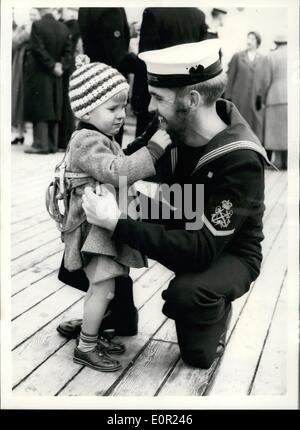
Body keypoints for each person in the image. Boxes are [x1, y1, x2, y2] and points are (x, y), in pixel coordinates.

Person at [80, 39, 272, 369]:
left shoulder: (240, 158)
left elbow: (201, 247)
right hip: (184, 214)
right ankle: (113, 312)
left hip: (227, 251)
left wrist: (119, 224)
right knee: (99, 203)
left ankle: (216, 306)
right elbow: (122, 166)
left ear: (192, 99)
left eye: (158, 98)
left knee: (192, 323)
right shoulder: (170, 124)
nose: (149, 106)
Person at [50, 55, 172, 372]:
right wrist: (154, 150)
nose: (121, 115)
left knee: (104, 287)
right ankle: (86, 346)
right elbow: (117, 172)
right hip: (94, 231)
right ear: (86, 110)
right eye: (112, 108)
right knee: (102, 287)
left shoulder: (101, 137)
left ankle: (91, 334)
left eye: (123, 107)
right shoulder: (86, 140)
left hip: (103, 226)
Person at [131, 7, 208, 137]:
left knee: (148, 142)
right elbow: (202, 60)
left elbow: (144, 61)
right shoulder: (198, 15)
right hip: (186, 95)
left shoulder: (153, 13)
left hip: (156, 95)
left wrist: (137, 99)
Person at [24, 8, 72, 154]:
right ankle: (52, 144)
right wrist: (60, 65)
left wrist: (51, 65)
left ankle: (40, 144)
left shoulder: (37, 25)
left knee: (41, 108)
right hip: (57, 74)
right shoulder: (64, 28)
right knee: (54, 107)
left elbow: (37, 49)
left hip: (40, 72)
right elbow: (68, 52)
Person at [225, 31, 266, 142]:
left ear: (257, 42)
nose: (249, 41)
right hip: (239, 98)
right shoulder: (238, 56)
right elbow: (230, 77)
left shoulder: (263, 59)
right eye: (248, 38)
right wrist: (228, 98)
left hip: (254, 99)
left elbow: (264, 80)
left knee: (255, 127)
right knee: (238, 123)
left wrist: (262, 97)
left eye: (252, 39)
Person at [11, 8, 41, 145]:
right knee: (19, 100)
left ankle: (24, 134)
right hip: (22, 67)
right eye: (30, 15)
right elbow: (14, 42)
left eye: (34, 14)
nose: (32, 17)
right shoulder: (26, 28)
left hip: (31, 68)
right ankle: (19, 133)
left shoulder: (36, 28)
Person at [262, 33, 288, 169]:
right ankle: (288, 161)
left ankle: (277, 162)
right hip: (292, 96)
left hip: (275, 95)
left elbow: (266, 79)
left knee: (276, 132)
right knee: (288, 131)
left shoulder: (271, 56)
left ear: (276, 42)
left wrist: (263, 95)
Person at [58, 8, 82, 151]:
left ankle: (63, 140)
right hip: (73, 67)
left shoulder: (69, 27)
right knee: (70, 105)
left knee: (66, 105)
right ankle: (68, 139)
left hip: (67, 68)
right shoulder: (76, 27)